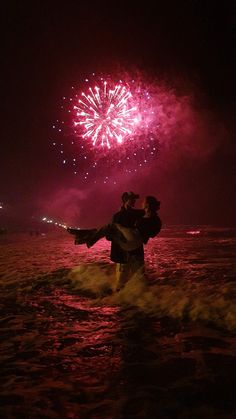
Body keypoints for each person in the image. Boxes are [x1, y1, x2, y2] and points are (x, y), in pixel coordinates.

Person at [68, 192, 162, 291]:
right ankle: (127, 300)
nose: (135, 201)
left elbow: (149, 225)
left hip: (131, 251)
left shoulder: (135, 214)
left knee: (136, 280)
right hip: (125, 252)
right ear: (126, 200)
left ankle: (87, 238)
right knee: (128, 280)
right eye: (132, 199)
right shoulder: (127, 215)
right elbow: (151, 227)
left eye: (135, 199)